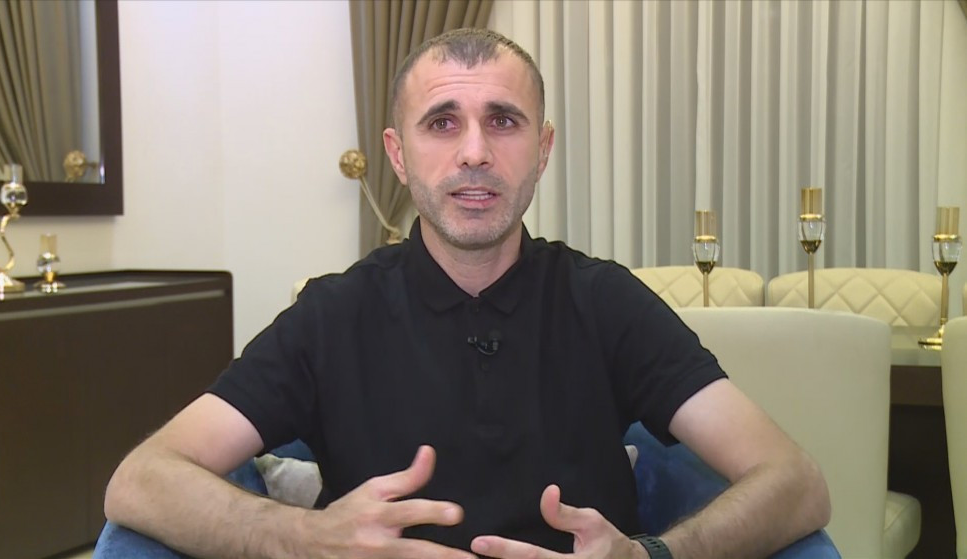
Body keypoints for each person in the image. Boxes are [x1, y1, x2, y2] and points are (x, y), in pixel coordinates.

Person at [104, 28, 830, 559]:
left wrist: (653, 554)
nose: (475, 152)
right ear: (397, 154)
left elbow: (795, 481)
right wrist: (304, 536)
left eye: (503, 122)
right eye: (442, 122)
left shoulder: (605, 301)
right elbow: (141, 481)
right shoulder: (332, 314)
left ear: (542, 150)